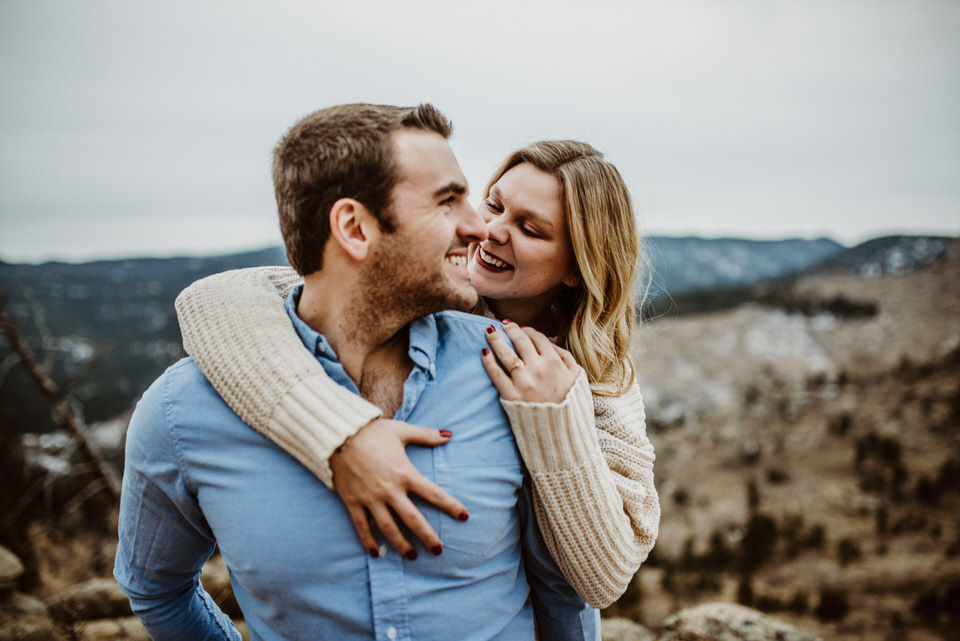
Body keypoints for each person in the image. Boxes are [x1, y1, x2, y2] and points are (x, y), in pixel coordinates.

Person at [114, 103, 597, 640]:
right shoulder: (182, 414)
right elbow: (157, 588)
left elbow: (565, 594)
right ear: (354, 228)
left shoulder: (519, 378)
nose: (479, 226)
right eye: (447, 201)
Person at [175, 140, 661, 607]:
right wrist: (341, 432)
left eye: (530, 229)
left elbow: (607, 577)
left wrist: (554, 421)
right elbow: (211, 301)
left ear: (578, 267)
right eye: (492, 206)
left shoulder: (604, 377)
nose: (491, 231)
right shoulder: (429, 289)